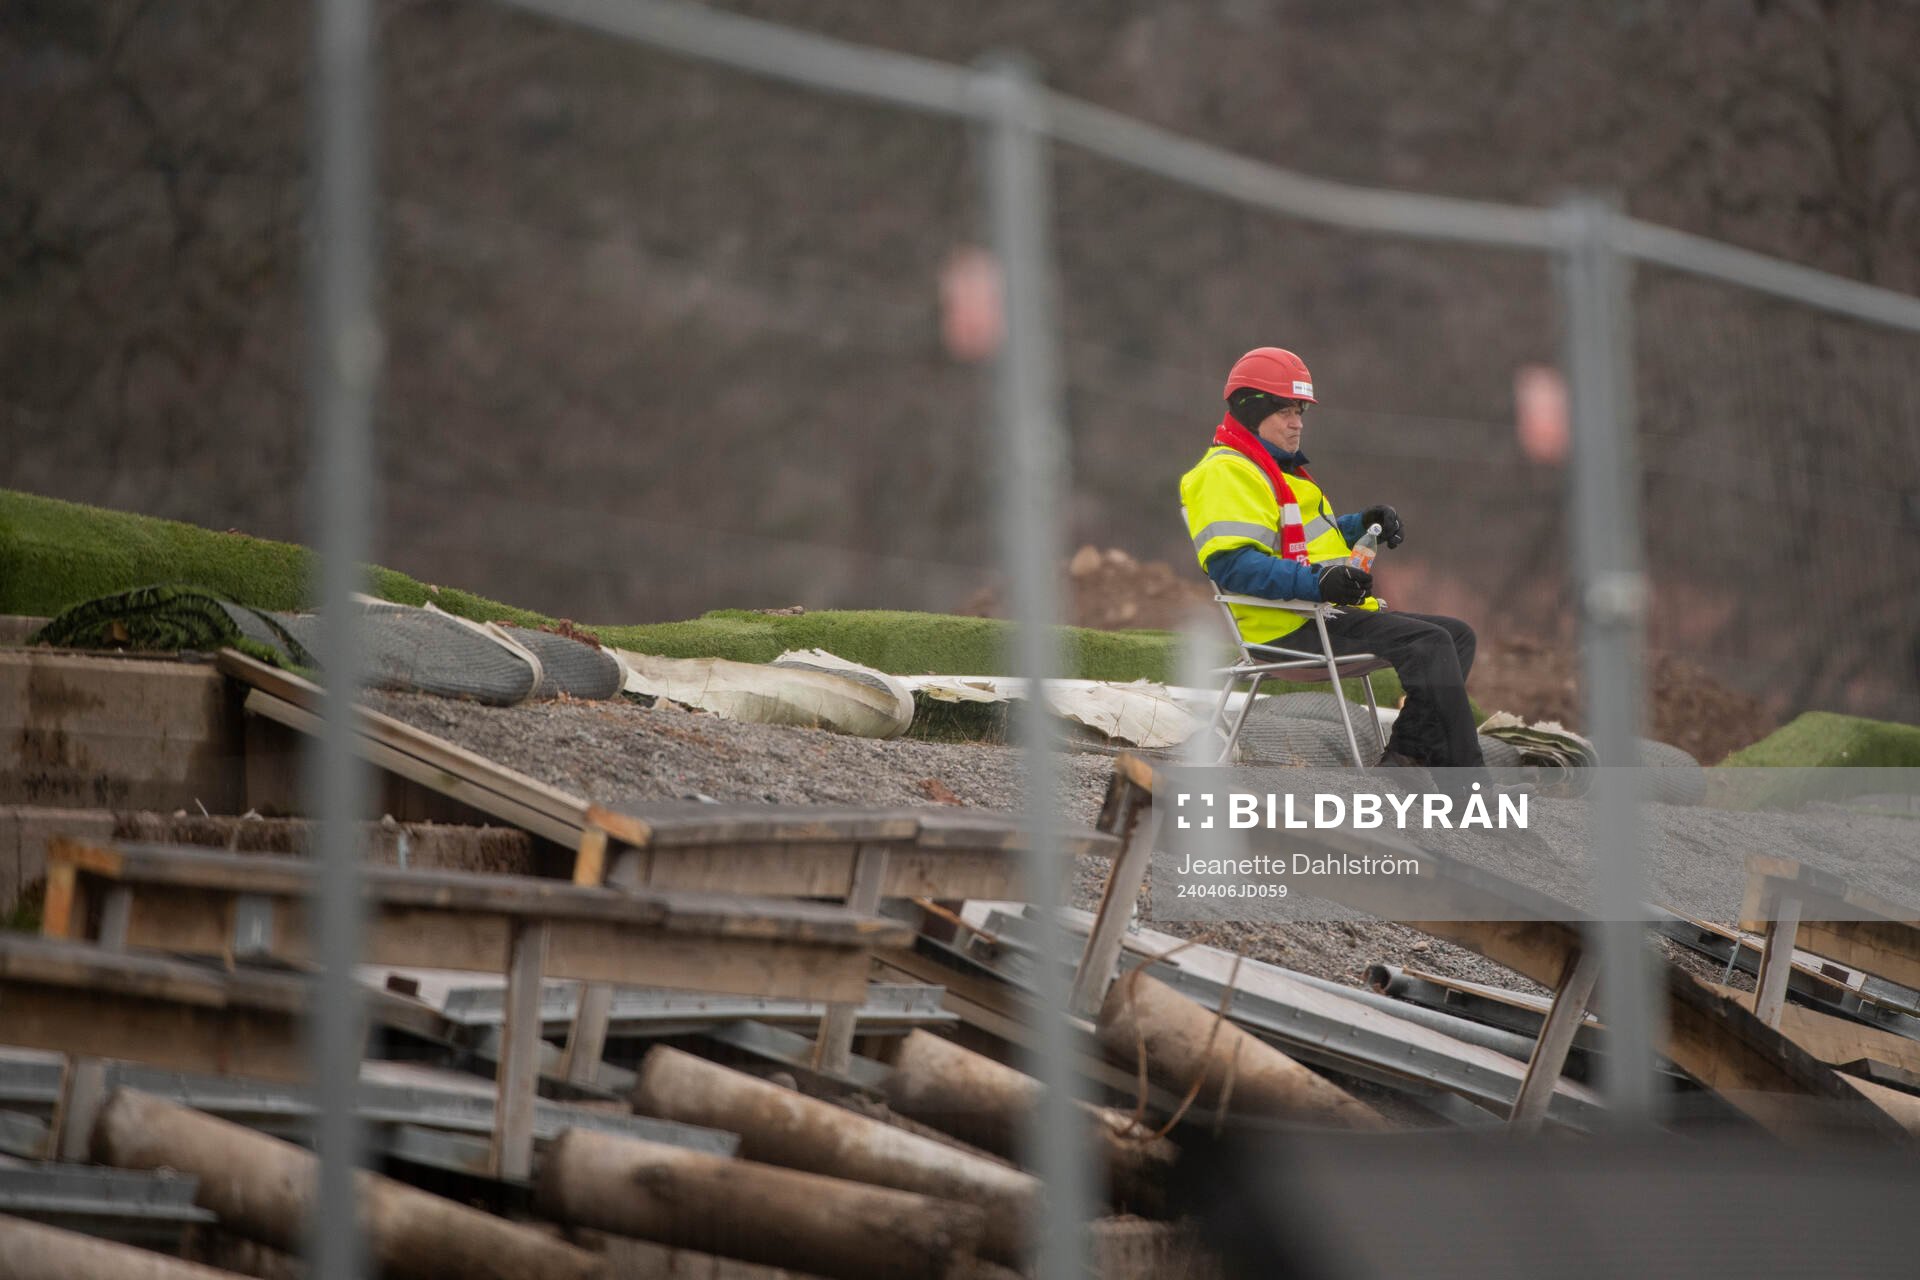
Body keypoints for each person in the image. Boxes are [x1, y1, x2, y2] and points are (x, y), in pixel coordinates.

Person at [1179, 346, 1485, 770]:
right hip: (1289, 629)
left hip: (1320, 613)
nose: (1297, 423)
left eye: (1301, 411)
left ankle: (1406, 761)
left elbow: (1300, 541)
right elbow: (1233, 567)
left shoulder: (1277, 470)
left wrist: (1361, 525)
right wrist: (1318, 583)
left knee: (1457, 636)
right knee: (1429, 643)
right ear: (1251, 410)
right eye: (1286, 411)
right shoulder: (1226, 472)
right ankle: (1473, 791)